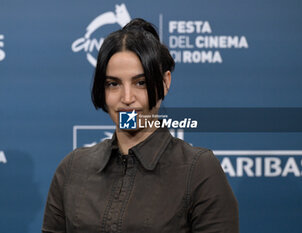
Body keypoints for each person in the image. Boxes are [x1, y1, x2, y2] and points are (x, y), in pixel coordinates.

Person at [42, 18, 239, 233]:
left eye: (140, 83)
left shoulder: (199, 171)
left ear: (165, 83)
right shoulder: (72, 169)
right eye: (113, 84)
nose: (127, 98)